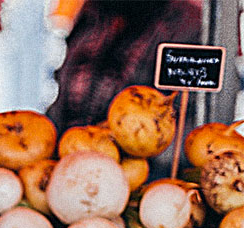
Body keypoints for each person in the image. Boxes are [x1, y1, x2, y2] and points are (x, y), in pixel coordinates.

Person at [48, 0, 201, 131]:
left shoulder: (186, 24)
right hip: (68, 156)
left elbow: (186, 127)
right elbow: (60, 102)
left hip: (140, 162)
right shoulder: (93, 12)